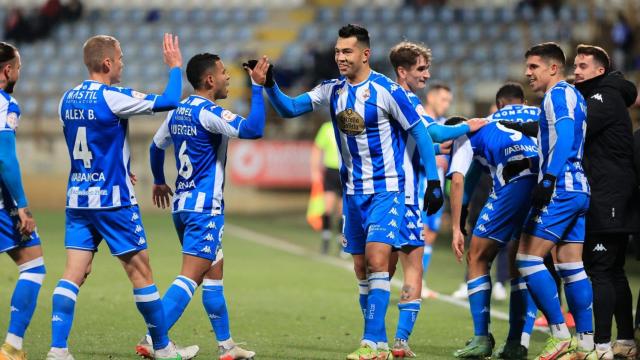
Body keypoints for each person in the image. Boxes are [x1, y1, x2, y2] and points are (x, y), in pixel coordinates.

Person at [261, 24, 444, 360]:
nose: (340, 57)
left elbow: (421, 134)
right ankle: (378, 341)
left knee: (378, 260)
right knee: (361, 268)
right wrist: (270, 84)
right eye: (337, 51)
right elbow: (289, 108)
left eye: (346, 52)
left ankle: (373, 343)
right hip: (353, 194)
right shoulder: (331, 90)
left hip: (387, 190)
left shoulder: (388, 90)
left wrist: (432, 181)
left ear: (365, 54)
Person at [47, 34, 184, 360]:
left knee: (73, 273)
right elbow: (170, 100)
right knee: (141, 274)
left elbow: (89, 147)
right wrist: (175, 68)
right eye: (120, 57)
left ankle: (57, 349)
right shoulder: (112, 97)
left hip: (78, 200)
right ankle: (163, 348)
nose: (123, 63)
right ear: (107, 63)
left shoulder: (65, 99)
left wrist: (119, 168)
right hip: (113, 202)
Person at [143, 54, 270, 360]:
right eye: (224, 73)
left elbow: (155, 146)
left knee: (214, 272)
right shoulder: (210, 112)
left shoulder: (178, 110)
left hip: (182, 207)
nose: (228, 77)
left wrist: (159, 180)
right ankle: (153, 339)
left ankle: (227, 347)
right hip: (204, 209)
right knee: (190, 276)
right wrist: (257, 87)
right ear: (210, 80)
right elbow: (253, 130)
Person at [387, 41, 486, 358]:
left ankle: (372, 338)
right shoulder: (407, 101)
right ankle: (399, 340)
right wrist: (470, 124)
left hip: (376, 194)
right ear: (403, 72)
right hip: (404, 195)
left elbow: (429, 143)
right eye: (422, 69)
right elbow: (436, 135)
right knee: (408, 266)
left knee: (376, 271)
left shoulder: (378, 94)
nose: (427, 74)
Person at [449, 82, 541, 359]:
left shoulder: (475, 127)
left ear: (498, 104)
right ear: (522, 102)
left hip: (515, 183)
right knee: (523, 261)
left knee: (477, 256)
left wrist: (457, 227)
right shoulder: (539, 114)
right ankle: (517, 342)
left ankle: (481, 338)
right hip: (552, 183)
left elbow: (458, 180)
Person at [516, 42, 594, 360]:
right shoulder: (574, 96)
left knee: (527, 259)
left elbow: (562, 137)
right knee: (571, 266)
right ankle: (586, 342)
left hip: (561, 186)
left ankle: (559, 332)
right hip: (579, 189)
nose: (527, 73)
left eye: (533, 66)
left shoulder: (557, 94)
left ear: (552, 68)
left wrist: (548, 179)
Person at [573, 44, 639, 360]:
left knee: (599, 270)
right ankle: (625, 340)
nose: (576, 70)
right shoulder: (608, 96)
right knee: (612, 271)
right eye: (575, 64)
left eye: (583, 66)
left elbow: (574, 129)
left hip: (608, 196)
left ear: (600, 71)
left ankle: (600, 346)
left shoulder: (603, 97)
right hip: (615, 195)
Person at [0, 42, 44, 360]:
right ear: (7, 71)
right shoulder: (6, 105)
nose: (19, 72)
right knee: (33, 266)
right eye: (18, 66)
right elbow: (5, 159)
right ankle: (12, 347)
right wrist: (22, 205)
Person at [421, 84, 453, 297]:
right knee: (417, 234)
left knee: (430, 235)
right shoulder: (419, 120)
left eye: (448, 101)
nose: (446, 104)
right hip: (418, 187)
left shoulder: (443, 125)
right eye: (443, 99)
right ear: (431, 97)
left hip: (437, 189)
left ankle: (419, 282)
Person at [310, 120, 342, 254]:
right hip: (331, 171)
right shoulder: (327, 128)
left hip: (346, 172)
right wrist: (315, 170)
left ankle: (342, 242)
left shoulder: (351, 126)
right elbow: (317, 148)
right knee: (327, 207)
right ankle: (326, 239)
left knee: (342, 211)